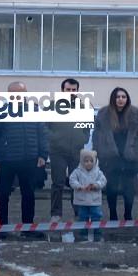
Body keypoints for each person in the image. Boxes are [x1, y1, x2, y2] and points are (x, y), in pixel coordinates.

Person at [0, 81, 49, 227]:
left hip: (29, 160)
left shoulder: (35, 110)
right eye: (13, 94)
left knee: (28, 194)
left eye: (20, 94)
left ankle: (28, 227)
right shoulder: (1, 111)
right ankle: (1, 227)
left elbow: (43, 135)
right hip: (6, 161)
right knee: (2, 195)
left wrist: (43, 155)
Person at [92, 87, 138, 222]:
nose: (120, 99)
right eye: (118, 97)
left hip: (130, 158)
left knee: (129, 189)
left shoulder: (136, 113)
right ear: (113, 98)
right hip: (111, 157)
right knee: (111, 188)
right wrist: (98, 154)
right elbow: (97, 136)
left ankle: (128, 214)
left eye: (123, 97)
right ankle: (112, 214)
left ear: (127, 99)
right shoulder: (103, 114)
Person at [48, 78, 90, 223]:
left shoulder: (83, 107)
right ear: (62, 90)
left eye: (74, 90)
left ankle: (78, 211)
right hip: (57, 151)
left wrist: (83, 138)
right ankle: (56, 214)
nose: (71, 92)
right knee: (58, 183)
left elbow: (87, 127)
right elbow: (45, 127)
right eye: (68, 90)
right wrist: (54, 139)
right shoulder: (52, 106)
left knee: (76, 182)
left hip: (76, 151)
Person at [69, 148, 107, 227]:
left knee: (96, 216)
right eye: (86, 161)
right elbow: (72, 180)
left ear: (95, 161)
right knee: (82, 217)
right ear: (82, 161)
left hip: (95, 201)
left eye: (91, 161)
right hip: (82, 200)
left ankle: (96, 232)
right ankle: (83, 233)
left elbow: (103, 181)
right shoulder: (77, 171)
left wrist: (96, 185)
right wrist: (79, 187)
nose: (89, 163)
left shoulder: (98, 172)